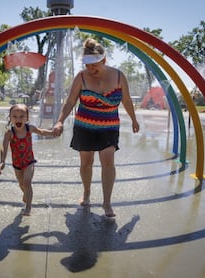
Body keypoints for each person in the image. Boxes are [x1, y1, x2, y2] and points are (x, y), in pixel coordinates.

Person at [52, 38, 140, 218]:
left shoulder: (118, 76)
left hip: (109, 127)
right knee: (86, 163)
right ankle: (86, 193)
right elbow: (70, 102)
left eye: (94, 65)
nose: (90, 69)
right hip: (85, 126)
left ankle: (107, 202)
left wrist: (134, 120)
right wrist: (60, 120)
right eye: (87, 65)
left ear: (104, 60)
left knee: (108, 161)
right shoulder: (81, 77)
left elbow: (127, 100)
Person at [0, 104, 55, 216]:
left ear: (27, 118)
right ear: (10, 118)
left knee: (27, 182)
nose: (18, 119)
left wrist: (52, 132)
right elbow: (4, 147)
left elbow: (42, 132)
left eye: (21, 116)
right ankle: (26, 195)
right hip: (17, 164)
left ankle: (28, 207)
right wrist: (2, 161)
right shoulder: (9, 133)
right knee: (21, 184)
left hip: (29, 161)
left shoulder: (30, 128)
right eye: (14, 116)